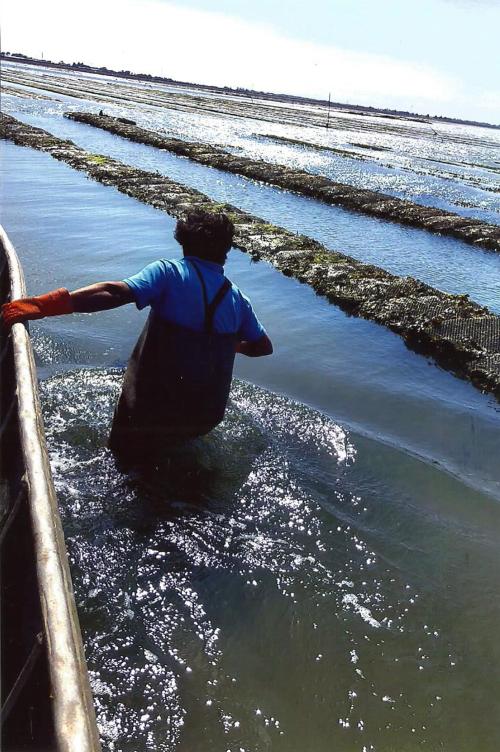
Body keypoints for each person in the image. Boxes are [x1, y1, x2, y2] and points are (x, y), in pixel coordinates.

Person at [2, 210, 273, 464]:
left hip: (152, 406)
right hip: (204, 415)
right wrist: (226, 345)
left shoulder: (169, 273)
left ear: (183, 241)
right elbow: (263, 347)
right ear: (225, 251)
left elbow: (115, 293)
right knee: (175, 461)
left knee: (123, 462)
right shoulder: (239, 300)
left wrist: (45, 306)